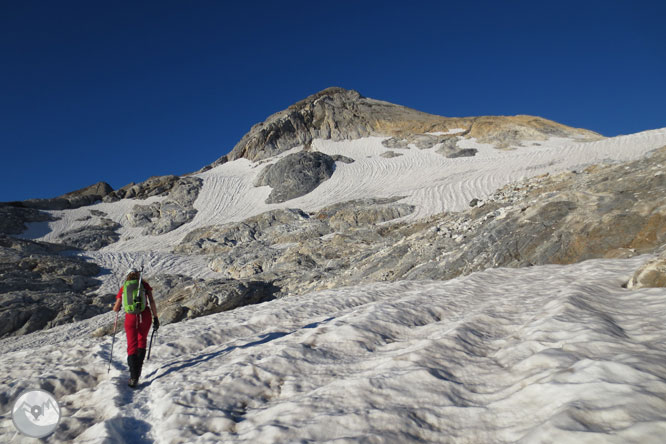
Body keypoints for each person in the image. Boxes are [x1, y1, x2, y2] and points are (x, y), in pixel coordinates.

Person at [112, 268, 159, 388]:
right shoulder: (144, 285)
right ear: (138, 275)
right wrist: (155, 317)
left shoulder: (124, 287)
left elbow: (116, 308)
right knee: (142, 341)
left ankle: (133, 377)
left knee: (132, 344)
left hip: (131, 318)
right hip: (145, 315)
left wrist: (120, 306)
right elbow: (152, 302)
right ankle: (138, 372)